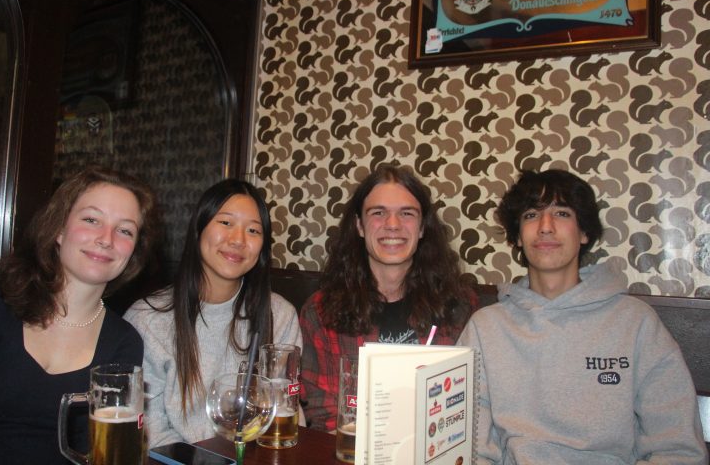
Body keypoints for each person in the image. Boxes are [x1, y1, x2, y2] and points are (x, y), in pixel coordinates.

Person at [458, 169, 708, 464]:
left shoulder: (636, 323)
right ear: (518, 237)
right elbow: (469, 447)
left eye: (562, 213)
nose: (546, 227)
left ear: (584, 233)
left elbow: (679, 450)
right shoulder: (486, 328)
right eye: (531, 215)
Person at [0, 166, 159, 465]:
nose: (106, 239)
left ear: (133, 250)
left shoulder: (124, 340)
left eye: (124, 230)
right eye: (91, 220)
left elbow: (97, 451)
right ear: (58, 229)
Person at [124, 179, 302, 446]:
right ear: (199, 228)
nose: (238, 240)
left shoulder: (280, 314)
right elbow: (150, 431)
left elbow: (287, 412)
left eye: (253, 230)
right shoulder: (148, 320)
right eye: (226, 223)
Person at [299, 164, 476, 431]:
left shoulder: (460, 307)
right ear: (359, 226)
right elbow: (324, 415)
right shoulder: (320, 312)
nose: (393, 225)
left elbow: (468, 405)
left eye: (406, 213)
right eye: (378, 213)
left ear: (422, 228)